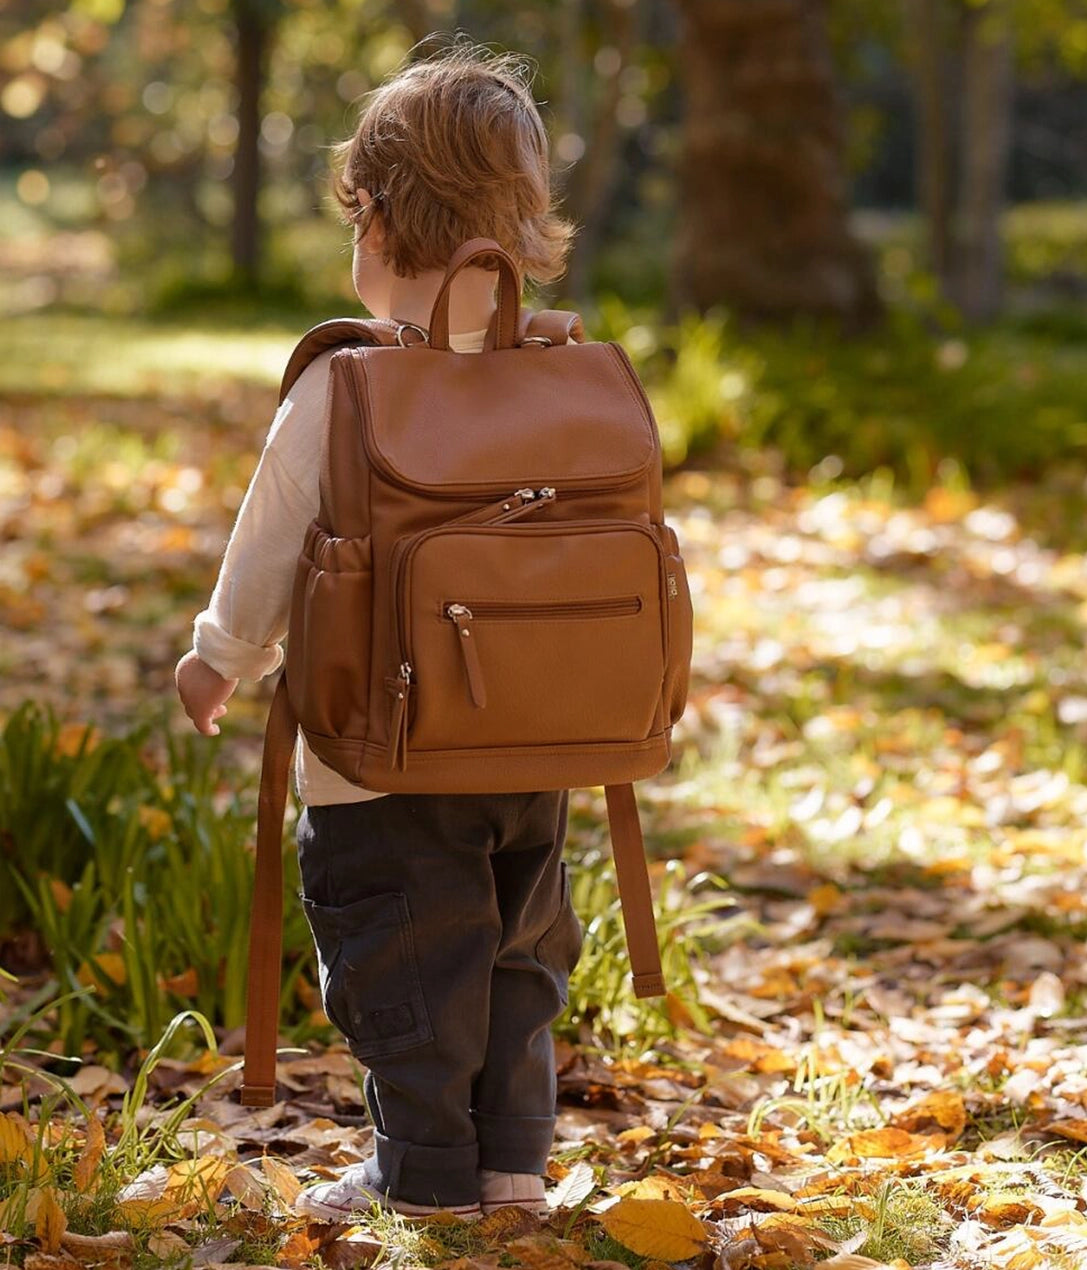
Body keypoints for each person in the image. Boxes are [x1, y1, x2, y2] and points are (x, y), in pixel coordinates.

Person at [175, 40, 583, 1222]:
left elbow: (268, 546)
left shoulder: (342, 386)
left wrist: (221, 657)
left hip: (375, 753)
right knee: (515, 954)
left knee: (401, 959)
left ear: (380, 222)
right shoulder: (557, 371)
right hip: (535, 739)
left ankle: (425, 1177)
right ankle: (512, 1165)